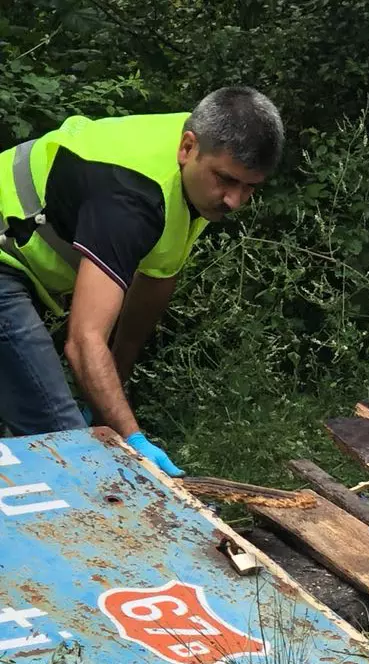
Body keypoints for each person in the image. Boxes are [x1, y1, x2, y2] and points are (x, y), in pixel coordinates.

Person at [0, 86, 284, 476]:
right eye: (227, 180)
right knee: (66, 445)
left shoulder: (200, 171)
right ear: (188, 147)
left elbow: (155, 280)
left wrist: (108, 397)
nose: (235, 200)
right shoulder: (132, 194)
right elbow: (84, 341)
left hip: (17, 263)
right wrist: (132, 440)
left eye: (250, 187)